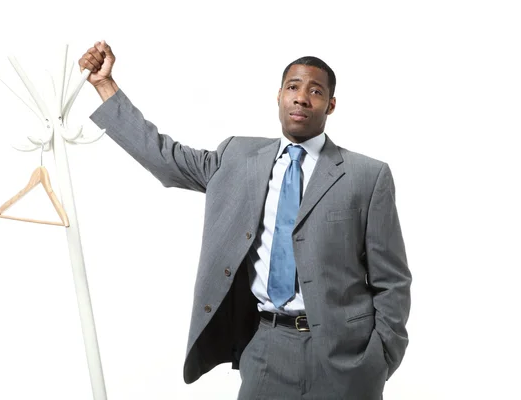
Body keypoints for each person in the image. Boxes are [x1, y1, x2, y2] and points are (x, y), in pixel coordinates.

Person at [79, 40, 412, 400]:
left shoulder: (367, 175)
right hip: (265, 347)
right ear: (279, 96)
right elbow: (164, 157)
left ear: (330, 105)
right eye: (293, 87)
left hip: (344, 355)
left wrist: (380, 359)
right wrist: (104, 85)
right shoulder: (238, 157)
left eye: (315, 91)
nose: (302, 97)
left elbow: (391, 280)